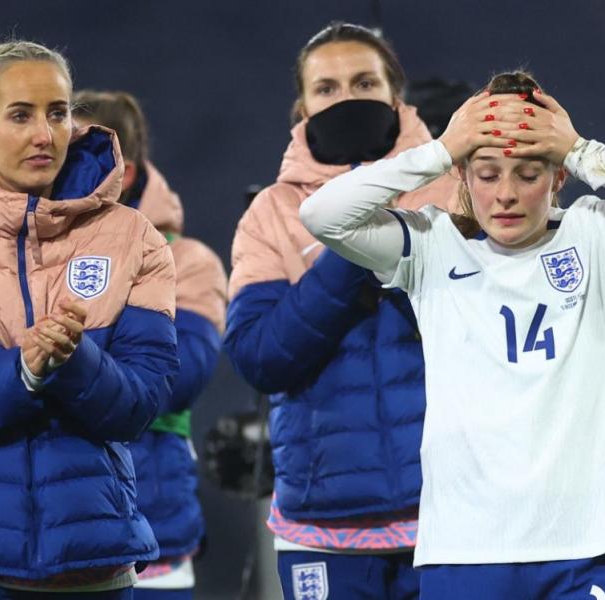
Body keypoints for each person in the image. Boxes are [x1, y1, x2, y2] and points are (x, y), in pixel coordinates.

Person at [300, 71, 605, 599]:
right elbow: (322, 214)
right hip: (466, 550)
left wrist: (581, 149)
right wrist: (441, 149)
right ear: (465, 177)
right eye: (488, 174)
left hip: (586, 546)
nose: (507, 195)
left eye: (528, 173)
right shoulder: (431, 247)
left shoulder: (597, 236)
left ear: (559, 178)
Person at [0, 40, 180, 598]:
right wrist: (20, 372)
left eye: (58, 113)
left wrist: (75, 361)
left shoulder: (133, 238)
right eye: (20, 115)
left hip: (93, 559)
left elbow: (144, 404)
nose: (44, 134)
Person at [223, 22, 456, 600]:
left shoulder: (457, 190)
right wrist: (350, 254)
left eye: (363, 82)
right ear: (302, 107)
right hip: (324, 523)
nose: (347, 98)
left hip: (455, 513)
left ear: (395, 97)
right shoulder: (272, 214)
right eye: (327, 88)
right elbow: (259, 356)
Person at [72, 90, 228, 599]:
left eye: (75, 156)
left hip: (151, 530)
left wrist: (56, 358)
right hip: (50, 534)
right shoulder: (27, 253)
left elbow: (173, 382)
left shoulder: (191, 262)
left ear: (128, 173)